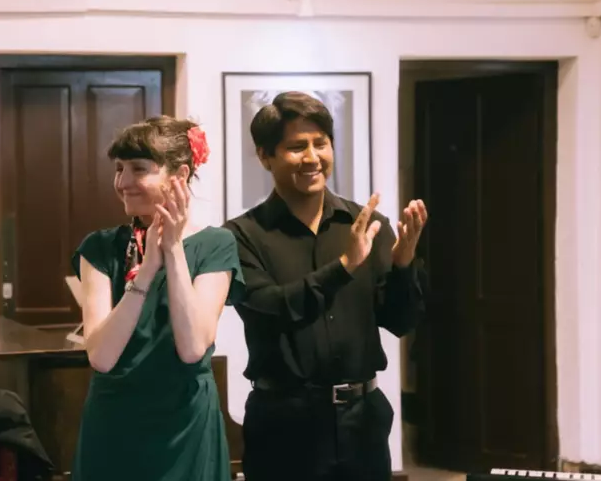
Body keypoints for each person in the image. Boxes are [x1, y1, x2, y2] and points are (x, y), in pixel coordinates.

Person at [223, 91, 428, 481]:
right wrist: (345, 266)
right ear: (265, 156)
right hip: (283, 422)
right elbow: (271, 309)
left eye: (321, 143)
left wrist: (404, 265)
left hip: (363, 420)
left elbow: (401, 322)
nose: (312, 157)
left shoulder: (368, 225)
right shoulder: (241, 235)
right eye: (296, 147)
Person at [69, 116, 245, 481]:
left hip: (185, 422)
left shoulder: (216, 244)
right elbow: (101, 356)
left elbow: (193, 347)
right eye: (119, 169)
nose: (123, 182)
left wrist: (173, 250)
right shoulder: (99, 248)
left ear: (179, 176)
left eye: (138, 169)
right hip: (114, 423)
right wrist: (146, 270)